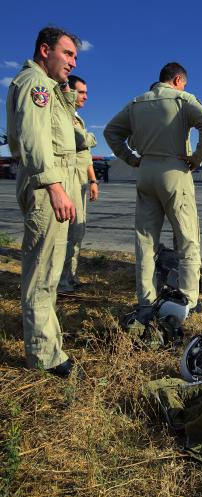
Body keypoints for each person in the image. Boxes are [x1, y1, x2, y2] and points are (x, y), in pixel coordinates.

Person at [104, 62, 202, 314]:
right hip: (175, 170)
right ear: (178, 80)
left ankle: (146, 299)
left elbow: (111, 132)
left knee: (145, 240)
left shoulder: (136, 103)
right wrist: (197, 157)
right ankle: (188, 299)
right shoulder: (182, 99)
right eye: (184, 84)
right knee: (187, 238)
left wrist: (131, 158)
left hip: (146, 171)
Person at [6, 27, 80, 376]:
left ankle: (49, 343)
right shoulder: (34, 84)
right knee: (42, 273)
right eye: (67, 54)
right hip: (46, 184)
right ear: (44, 50)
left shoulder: (49, 86)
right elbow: (35, 140)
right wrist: (54, 186)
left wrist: (64, 89)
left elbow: (59, 129)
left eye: (75, 57)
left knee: (50, 269)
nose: (72, 62)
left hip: (53, 179)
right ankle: (43, 356)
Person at [58, 75, 99, 293]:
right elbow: (84, 141)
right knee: (71, 231)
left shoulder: (77, 118)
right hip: (70, 179)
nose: (85, 97)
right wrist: (91, 137)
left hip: (82, 179)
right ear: (70, 92)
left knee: (78, 231)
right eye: (81, 92)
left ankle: (70, 277)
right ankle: (62, 282)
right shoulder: (66, 116)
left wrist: (93, 179)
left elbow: (86, 154)